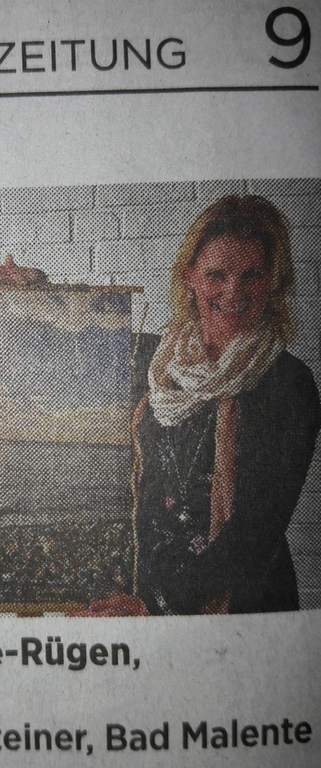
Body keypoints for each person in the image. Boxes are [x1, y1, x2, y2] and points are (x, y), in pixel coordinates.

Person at [131, 195, 321, 615]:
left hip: (242, 609)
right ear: (189, 276)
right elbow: (75, 341)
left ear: (273, 283)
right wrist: (17, 282)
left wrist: (155, 606)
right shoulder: (152, 363)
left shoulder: (290, 384)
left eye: (251, 275)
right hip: (146, 599)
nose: (233, 292)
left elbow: (255, 536)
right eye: (216, 274)